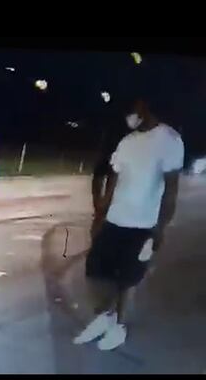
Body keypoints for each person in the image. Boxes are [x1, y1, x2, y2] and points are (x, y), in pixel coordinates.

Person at [73, 99, 184, 351]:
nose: (130, 117)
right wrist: (99, 216)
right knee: (95, 272)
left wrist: (160, 228)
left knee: (128, 278)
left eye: (132, 111)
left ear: (145, 108)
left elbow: (171, 190)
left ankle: (119, 327)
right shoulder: (128, 142)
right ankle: (104, 317)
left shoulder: (169, 140)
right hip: (115, 220)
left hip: (143, 224)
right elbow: (113, 179)